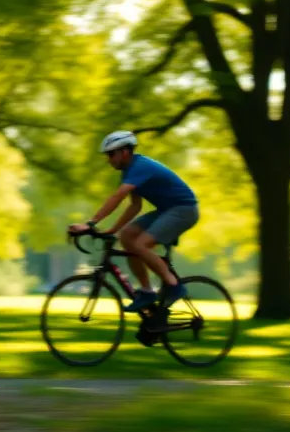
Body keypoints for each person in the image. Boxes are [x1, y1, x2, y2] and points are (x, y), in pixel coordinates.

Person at [68, 131, 200, 313]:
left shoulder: (140, 166)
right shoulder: (129, 172)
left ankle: (173, 286)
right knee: (127, 237)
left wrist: (91, 223)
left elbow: (119, 195)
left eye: (111, 154)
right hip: (166, 210)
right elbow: (135, 206)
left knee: (141, 244)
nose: (109, 160)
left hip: (184, 209)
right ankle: (147, 292)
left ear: (125, 152)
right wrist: (113, 229)